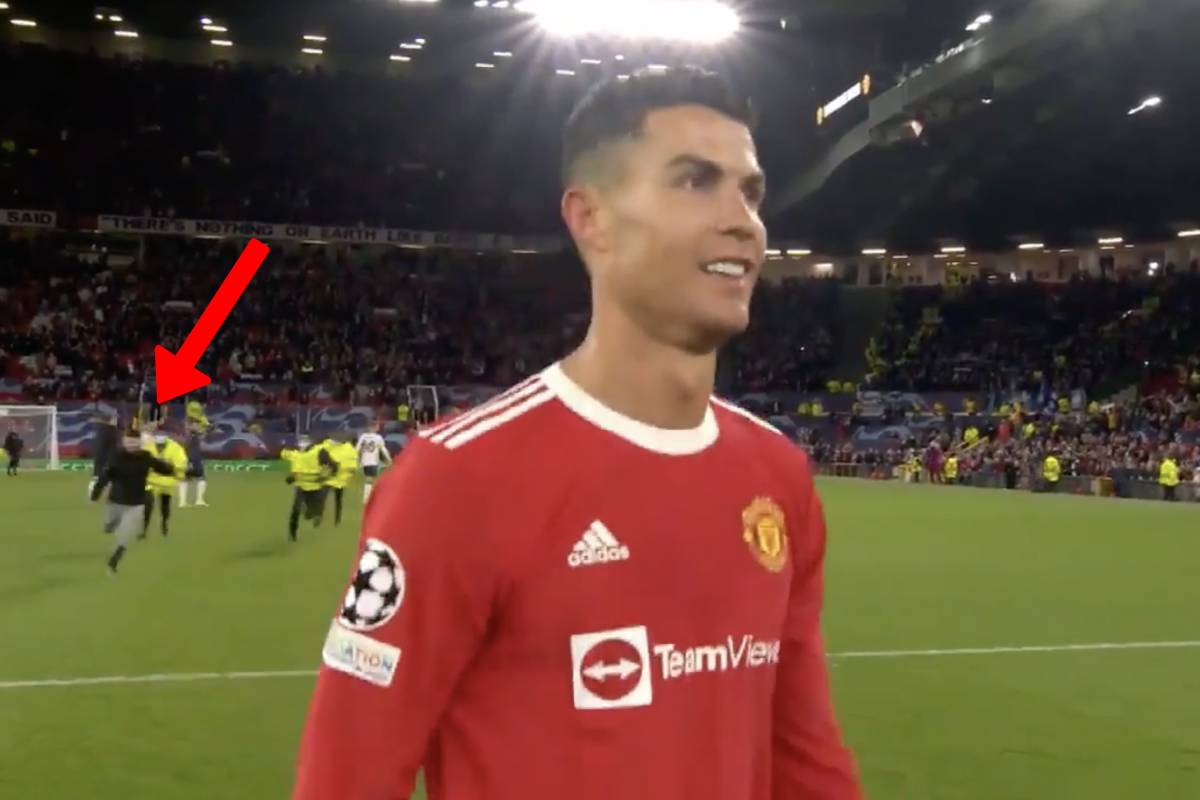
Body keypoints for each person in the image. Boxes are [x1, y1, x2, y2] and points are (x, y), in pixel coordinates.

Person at [293, 66, 862, 800]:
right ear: (590, 218)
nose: (742, 220)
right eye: (695, 181)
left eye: (750, 192)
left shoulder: (776, 474)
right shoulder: (457, 480)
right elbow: (347, 776)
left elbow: (806, 756)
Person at [91, 430, 175, 574]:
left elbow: (161, 468)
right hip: (115, 502)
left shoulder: (146, 457)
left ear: (140, 442)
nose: (131, 444)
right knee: (109, 526)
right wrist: (95, 494)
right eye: (129, 441)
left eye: (134, 441)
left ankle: (113, 561)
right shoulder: (116, 456)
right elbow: (105, 476)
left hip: (136, 503)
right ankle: (110, 526)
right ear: (124, 441)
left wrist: (170, 468)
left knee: (126, 533)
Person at [285, 435, 335, 541]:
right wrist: (292, 477)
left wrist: (325, 476)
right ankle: (292, 533)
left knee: (311, 512)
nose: (302, 446)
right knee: (296, 509)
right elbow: (296, 466)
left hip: (315, 487)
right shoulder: (296, 454)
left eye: (304, 443)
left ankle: (316, 515)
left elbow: (333, 466)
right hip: (301, 486)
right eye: (300, 444)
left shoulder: (319, 452)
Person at [143, 429, 187, 537]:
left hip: (168, 483)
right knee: (148, 504)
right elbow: (141, 461)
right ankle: (144, 528)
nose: (160, 447)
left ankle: (164, 523)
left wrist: (177, 475)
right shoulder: (148, 447)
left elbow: (181, 464)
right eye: (158, 445)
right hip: (151, 482)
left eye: (162, 445)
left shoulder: (176, 448)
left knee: (165, 505)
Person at [321, 433, 359, 526]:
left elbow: (326, 450)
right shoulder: (353, 452)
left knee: (323, 498)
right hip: (341, 480)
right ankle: (337, 519)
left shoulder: (337, 447)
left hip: (330, 477)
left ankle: (319, 516)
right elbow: (353, 468)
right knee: (338, 500)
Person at [354, 422, 392, 503]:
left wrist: (356, 459)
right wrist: (389, 460)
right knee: (371, 480)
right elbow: (383, 450)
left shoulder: (363, 436)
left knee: (370, 479)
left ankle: (368, 498)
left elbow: (357, 449)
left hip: (364, 461)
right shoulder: (378, 437)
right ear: (374, 428)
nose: (378, 428)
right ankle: (367, 498)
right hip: (373, 461)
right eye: (377, 427)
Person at [87, 412, 119, 499]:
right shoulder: (109, 431)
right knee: (102, 477)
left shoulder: (102, 430)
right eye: (114, 419)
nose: (116, 421)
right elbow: (109, 447)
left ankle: (94, 493)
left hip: (102, 458)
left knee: (99, 476)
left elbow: (99, 446)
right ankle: (94, 493)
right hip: (106, 458)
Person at [179, 423, 209, 508]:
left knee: (185, 479)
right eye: (197, 426)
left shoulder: (187, 437)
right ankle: (199, 500)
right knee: (201, 479)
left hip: (186, 460)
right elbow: (204, 432)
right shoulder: (194, 437)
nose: (199, 427)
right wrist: (190, 462)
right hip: (193, 461)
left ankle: (182, 502)